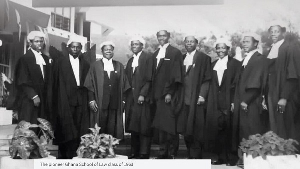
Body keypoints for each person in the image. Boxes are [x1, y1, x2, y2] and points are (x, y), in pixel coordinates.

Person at [232, 33, 267, 161]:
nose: (244, 44)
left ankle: (253, 160)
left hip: (251, 101)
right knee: (243, 130)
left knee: (252, 130)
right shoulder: (245, 59)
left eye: (247, 41)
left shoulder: (259, 59)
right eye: (244, 42)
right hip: (242, 100)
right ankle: (244, 159)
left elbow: (256, 82)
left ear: (256, 43)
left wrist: (246, 100)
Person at [53, 38, 90, 159]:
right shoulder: (59, 62)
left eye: (78, 47)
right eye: (73, 47)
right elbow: (55, 83)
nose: (75, 49)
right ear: (68, 48)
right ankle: (63, 156)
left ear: (81, 49)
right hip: (65, 99)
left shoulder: (85, 64)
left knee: (78, 127)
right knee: (65, 126)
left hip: (80, 100)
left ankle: (75, 154)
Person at [206, 37, 241, 165]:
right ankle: (221, 157)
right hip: (215, 102)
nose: (220, 50)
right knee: (218, 129)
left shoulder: (236, 64)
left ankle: (232, 158)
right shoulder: (212, 65)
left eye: (223, 48)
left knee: (230, 129)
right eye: (218, 48)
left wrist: (233, 101)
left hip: (229, 100)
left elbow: (236, 84)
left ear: (228, 49)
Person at [84, 41, 129, 140]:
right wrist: (91, 100)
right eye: (106, 49)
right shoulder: (95, 65)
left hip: (115, 102)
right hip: (100, 101)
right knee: (100, 126)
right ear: (102, 51)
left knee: (113, 127)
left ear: (113, 51)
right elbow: (89, 84)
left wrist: (123, 100)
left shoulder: (119, 66)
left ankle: (111, 149)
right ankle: (99, 150)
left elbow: (124, 85)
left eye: (110, 49)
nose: (108, 51)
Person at [264, 21, 300, 143]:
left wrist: (284, 97)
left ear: (282, 33)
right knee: (275, 126)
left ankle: (291, 157)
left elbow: (293, 75)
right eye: (271, 32)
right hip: (272, 93)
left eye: (277, 31)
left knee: (287, 128)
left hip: (286, 94)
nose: (273, 34)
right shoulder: (271, 49)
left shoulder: (290, 48)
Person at [176, 36, 211, 159]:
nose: (189, 43)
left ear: (197, 43)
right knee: (185, 128)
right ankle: (190, 154)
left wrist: (202, 95)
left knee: (196, 128)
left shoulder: (204, 58)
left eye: (192, 41)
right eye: (187, 41)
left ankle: (196, 155)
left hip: (196, 98)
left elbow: (207, 79)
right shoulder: (181, 57)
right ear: (184, 44)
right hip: (183, 99)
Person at [151, 30, 183, 159]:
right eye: (159, 36)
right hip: (158, 95)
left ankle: (172, 152)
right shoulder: (155, 54)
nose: (161, 38)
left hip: (169, 94)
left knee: (170, 125)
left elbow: (176, 74)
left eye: (164, 36)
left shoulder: (175, 52)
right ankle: (162, 152)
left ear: (169, 37)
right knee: (160, 125)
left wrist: (169, 92)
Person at [12, 31, 52, 125]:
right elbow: (22, 80)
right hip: (29, 99)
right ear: (30, 43)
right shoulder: (25, 59)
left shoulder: (45, 59)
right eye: (36, 41)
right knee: (29, 126)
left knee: (42, 126)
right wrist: (34, 96)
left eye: (41, 41)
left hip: (43, 98)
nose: (39, 44)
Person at [124, 37, 154, 159]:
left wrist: (143, 94)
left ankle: (144, 152)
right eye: (133, 44)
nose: (134, 46)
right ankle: (134, 151)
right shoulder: (131, 60)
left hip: (143, 98)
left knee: (144, 126)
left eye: (137, 44)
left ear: (142, 46)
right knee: (134, 125)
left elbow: (149, 78)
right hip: (132, 98)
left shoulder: (148, 58)